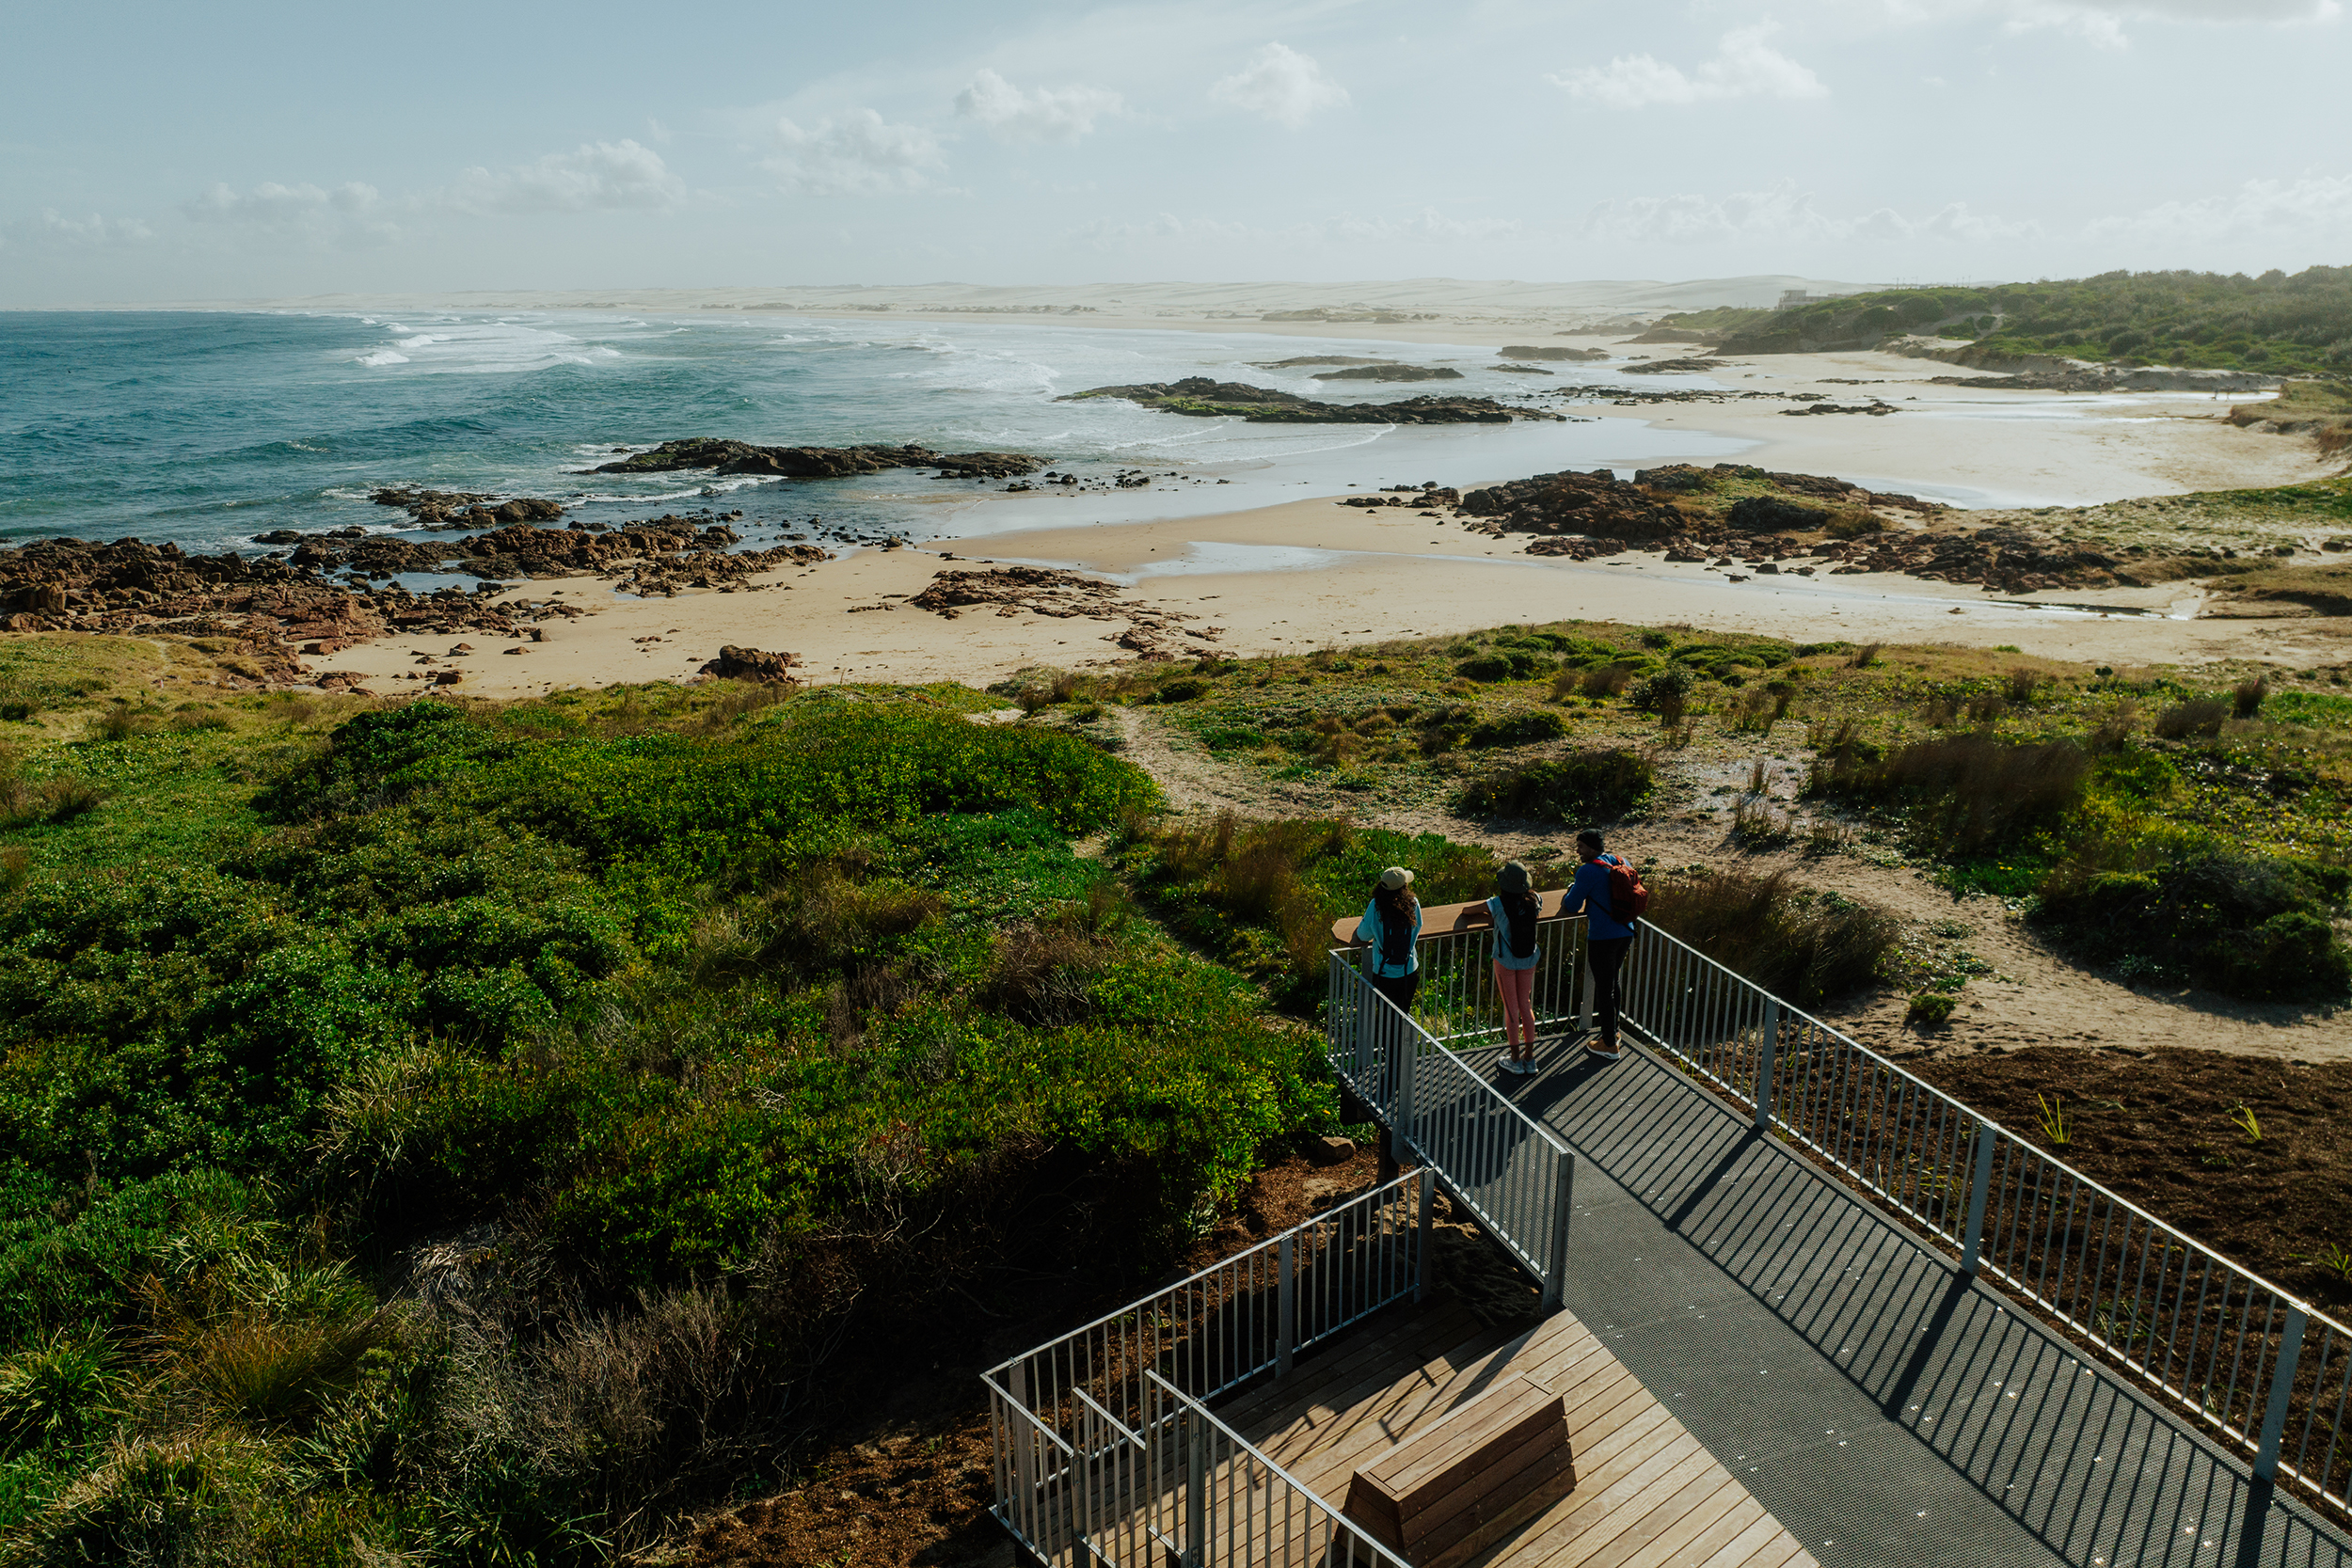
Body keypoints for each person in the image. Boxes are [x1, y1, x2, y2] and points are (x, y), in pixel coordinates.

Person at [1558, 830, 1636, 1061]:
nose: (1577, 851)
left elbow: (1572, 905)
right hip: (1626, 931)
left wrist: (1571, 891)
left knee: (1604, 988)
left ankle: (1609, 1045)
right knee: (1614, 982)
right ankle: (1615, 1032)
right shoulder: (1620, 861)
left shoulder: (1588, 870)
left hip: (1603, 936)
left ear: (1592, 848)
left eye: (1580, 846)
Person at [1467, 861, 1545, 1076]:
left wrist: (1491, 916)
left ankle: (1515, 1060)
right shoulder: (1534, 899)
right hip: (1529, 959)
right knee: (1525, 1006)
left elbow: (1467, 911)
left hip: (1505, 960)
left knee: (1511, 1010)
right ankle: (1530, 1059)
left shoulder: (1497, 904)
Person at [1354, 866, 1422, 1015]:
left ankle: (1386, 1039)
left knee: (1386, 1020)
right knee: (1402, 1016)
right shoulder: (1413, 903)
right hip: (1409, 971)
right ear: (1404, 887)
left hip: (1384, 974)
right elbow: (1418, 927)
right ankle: (1399, 1039)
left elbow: (1363, 935)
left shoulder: (1376, 906)